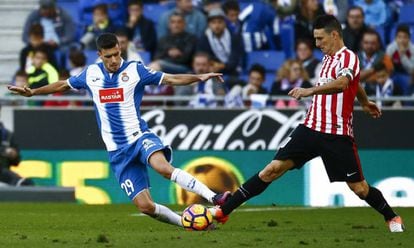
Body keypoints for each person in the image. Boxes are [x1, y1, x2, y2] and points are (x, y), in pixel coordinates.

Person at [8, 33, 230, 228]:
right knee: (145, 206)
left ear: (120, 49)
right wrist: (33, 92)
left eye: (116, 54)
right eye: (108, 56)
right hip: (118, 152)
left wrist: (198, 77)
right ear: (99, 54)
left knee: (162, 167)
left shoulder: (135, 70)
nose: (113, 60)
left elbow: (170, 78)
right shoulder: (91, 74)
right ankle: (186, 222)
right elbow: (63, 85)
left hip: (139, 137)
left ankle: (215, 197)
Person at [211, 15, 405, 233]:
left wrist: (310, 90)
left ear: (334, 35)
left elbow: (343, 83)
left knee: (359, 189)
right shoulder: (327, 59)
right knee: (271, 170)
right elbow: (355, 83)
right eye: (315, 39)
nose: (317, 44)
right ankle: (223, 211)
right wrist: (365, 101)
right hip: (310, 128)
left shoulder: (347, 57)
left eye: (320, 39)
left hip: (337, 134)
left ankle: (392, 217)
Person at [197, 8, 243, 75]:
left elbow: (235, 58)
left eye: (219, 22)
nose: (217, 26)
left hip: (233, 70)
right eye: (213, 22)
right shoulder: (204, 39)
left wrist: (223, 66)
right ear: (209, 24)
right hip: (212, 70)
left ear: (225, 23)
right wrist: (213, 64)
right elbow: (203, 56)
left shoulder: (234, 37)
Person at [0, 120, 34, 186]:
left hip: (3, 174)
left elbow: (16, 162)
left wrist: (14, 155)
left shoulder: (7, 134)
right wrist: (3, 151)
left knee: (26, 184)